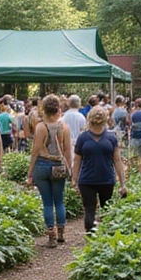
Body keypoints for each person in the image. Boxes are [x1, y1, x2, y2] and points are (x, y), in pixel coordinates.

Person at [72, 104, 127, 233]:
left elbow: (77, 160)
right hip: (106, 178)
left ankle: (90, 238)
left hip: (86, 180)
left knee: (89, 209)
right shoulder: (111, 138)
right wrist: (122, 182)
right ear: (106, 119)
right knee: (106, 209)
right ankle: (105, 238)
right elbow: (117, 161)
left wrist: (74, 180)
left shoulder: (83, 138)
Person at [28, 93, 72, 246]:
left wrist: (30, 172)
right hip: (59, 165)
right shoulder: (64, 127)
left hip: (42, 164)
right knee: (59, 200)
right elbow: (68, 151)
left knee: (47, 202)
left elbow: (35, 151)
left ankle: (51, 235)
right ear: (58, 109)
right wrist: (69, 169)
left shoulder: (41, 127)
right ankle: (61, 232)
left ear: (43, 109)